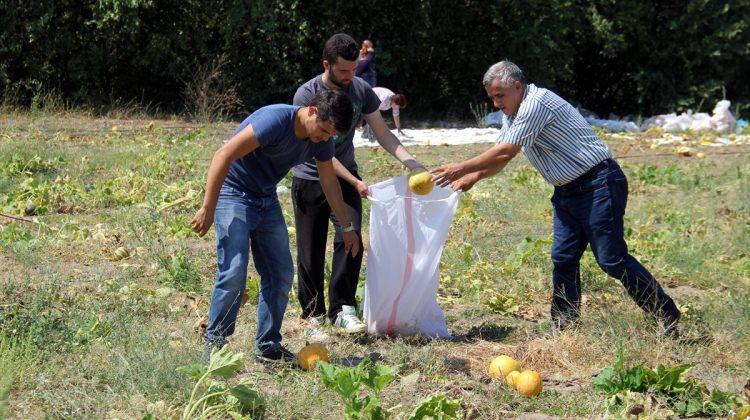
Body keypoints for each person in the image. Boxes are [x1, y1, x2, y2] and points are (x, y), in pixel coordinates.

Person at [432, 61, 681, 336]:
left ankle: (665, 315)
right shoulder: (512, 113)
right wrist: (474, 176)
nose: (495, 103)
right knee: (563, 257)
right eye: (492, 97)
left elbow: (506, 152)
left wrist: (461, 167)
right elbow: (500, 155)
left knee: (611, 259)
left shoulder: (537, 103)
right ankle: (565, 324)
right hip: (567, 192)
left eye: (499, 96)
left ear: (517, 87)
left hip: (598, 184)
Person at [190, 89, 360, 363]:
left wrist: (347, 226)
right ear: (312, 111)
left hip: (265, 197)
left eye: (331, 135)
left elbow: (329, 181)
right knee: (234, 271)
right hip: (233, 191)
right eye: (324, 130)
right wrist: (208, 207)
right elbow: (222, 155)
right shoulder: (275, 120)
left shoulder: (321, 139)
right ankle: (215, 345)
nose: (325, 138)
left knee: (280, 272)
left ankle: (268, 347)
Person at [291, 33, 424, 341]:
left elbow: (383, 133)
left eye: (354, 69)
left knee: (350, 239)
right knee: (310, 249)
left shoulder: (361, 89)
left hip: (346, 174)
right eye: (343, 71)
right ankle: (313, 314)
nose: (350, 76)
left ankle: (342, 308)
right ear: (327, 64)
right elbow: (317, 153)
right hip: (310, 177)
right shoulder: (307, 94)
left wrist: (412, 162)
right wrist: (354, 181)